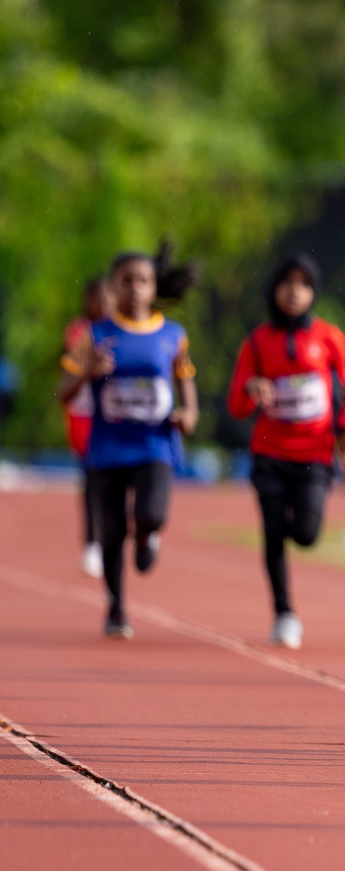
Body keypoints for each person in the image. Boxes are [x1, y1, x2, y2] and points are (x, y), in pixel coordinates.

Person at [227, 255, 345, 648]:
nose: (294, 291)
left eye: (303, 284)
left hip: (314, 453)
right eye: (286, 283)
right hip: (269, 453)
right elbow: (236, 404)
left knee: (306, 534)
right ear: (274, 290)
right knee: (273, 531)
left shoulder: (327, 336)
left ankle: (296, 521)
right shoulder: (257, 341)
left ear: (313, 292)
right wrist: (252, 390)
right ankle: (284, 612)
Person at [58, 247, 200, 639]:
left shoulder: (172, 334)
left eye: (142, 281)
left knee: (153, 513)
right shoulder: (96, 334)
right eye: (126, 281)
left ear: (154, 287)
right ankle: (116, 608)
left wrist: (189, 415)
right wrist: (87, 373)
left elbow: (185, 383)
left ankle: (148, 534)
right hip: (108, 447)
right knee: (111, 531)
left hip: (155, 443)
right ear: (113, 287)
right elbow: (63, 392)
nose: (134, 288)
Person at [63, 275, 116, 578]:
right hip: (86, 417)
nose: (105, 303)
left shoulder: (128, 329)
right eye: (99, 297)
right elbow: (72, 365)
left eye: (110, 296)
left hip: (117, 417)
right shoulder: (80, 330)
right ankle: (92, 543)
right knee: (92, 482)